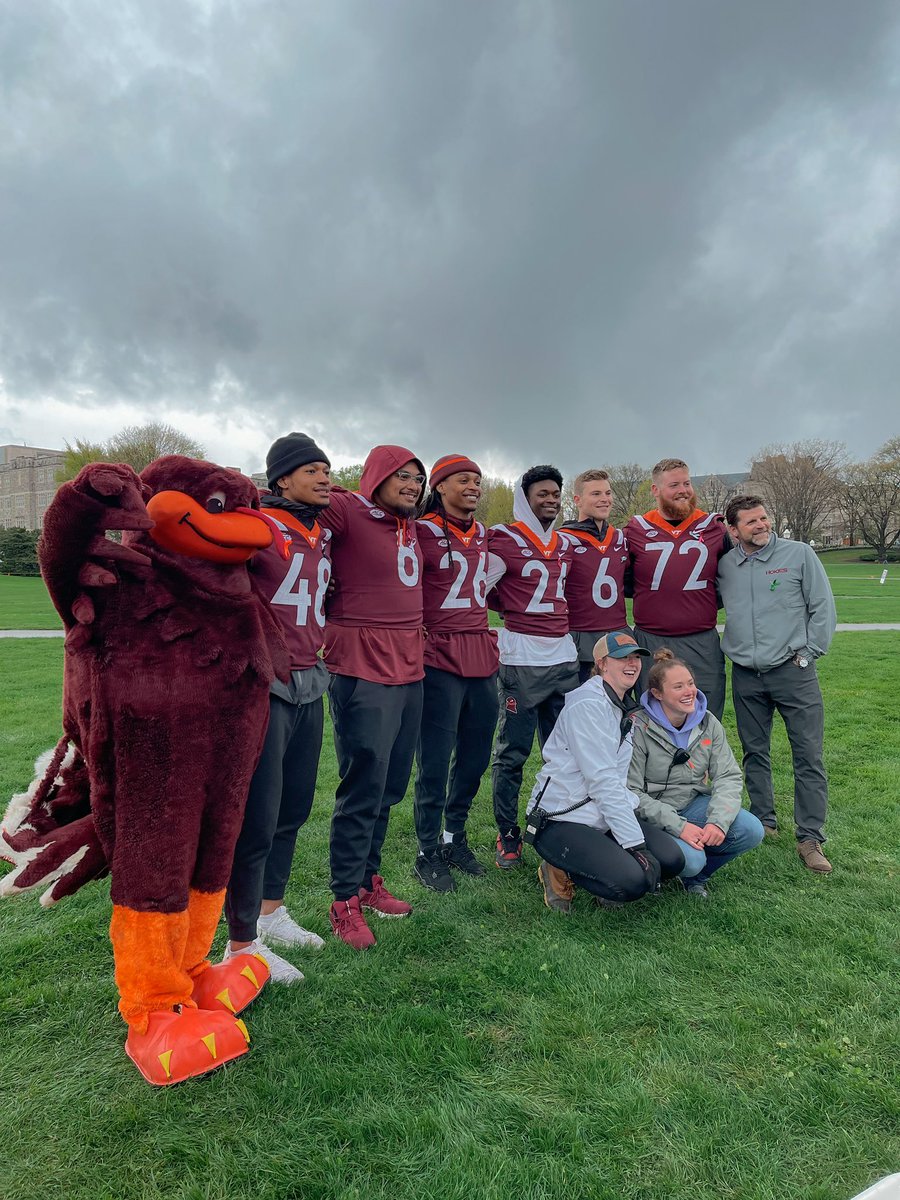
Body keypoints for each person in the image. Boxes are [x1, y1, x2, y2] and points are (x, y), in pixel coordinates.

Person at [223, 433, 332, 982]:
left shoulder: (320, 531)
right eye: (311, 469)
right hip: (264, 682)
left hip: (310, 677)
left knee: (293, 807)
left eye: (327, 468)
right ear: (281, 478)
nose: (324, 476)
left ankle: (271, 912)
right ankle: (240, 942)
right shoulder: (257, 524)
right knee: (256, 817)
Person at [321, 445, 426, 947]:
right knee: (362, 786)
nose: (411, 484)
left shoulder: (408, 525)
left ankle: (366, 883)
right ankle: (342, 898)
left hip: (409, 666)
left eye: (417, 478)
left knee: (389, 786)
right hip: (363, 663)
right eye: (402, 475)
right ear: (376, 477)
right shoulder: (347, 507)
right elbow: (292, 499)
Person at [717, 496, 837, 873]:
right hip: (746, 675)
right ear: (733, 530)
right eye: (751, 522)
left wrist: (809, 652)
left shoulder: (799, 554)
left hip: (793, 672)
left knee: (808, 755)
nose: (761, 525)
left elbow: (823, 606)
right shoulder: (725, 566)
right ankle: (764, 821)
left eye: (764, 518)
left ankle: (810, 837)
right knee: (754, 751)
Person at [525, 632, 684, 913]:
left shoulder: (621, 705)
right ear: (601, 663)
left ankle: (604, 864)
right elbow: (602, 781)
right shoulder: (588, 705)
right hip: (562, 818)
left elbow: (616, 781)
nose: (632, 663)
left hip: (599, 815)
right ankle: (556, 868)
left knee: (672, 860)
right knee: (632, 882)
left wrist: (631, 832)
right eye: (622, 657)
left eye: (636, 657)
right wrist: (636, 846)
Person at [412, 454, 499, 891]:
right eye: (463, 480)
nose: (473, 487)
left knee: (475, 756)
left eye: (477, 481)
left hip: (480, 652)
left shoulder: (484, 533)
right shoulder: (420, 530)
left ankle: (454, 836)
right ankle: (427, 849)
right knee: (433, 759)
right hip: (439, 654)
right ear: (440, 486)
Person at [486, 465, 580, 869]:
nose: (551, 499)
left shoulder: (563, 543)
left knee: (567, 753)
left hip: (563, 658)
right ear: (524, 497)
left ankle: (557, 822)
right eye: (542, 493)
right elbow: (477, 589)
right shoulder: (503, 537)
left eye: (556, 493)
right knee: (512, 753)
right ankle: (507, 831)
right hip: (522, 659)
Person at [628, 649, 764, 898]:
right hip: (650, 814)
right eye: (678, 686)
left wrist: (717, 822)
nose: (689, 691)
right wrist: (679, 827)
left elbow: (728, 776)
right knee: (691, 860)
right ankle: (656, 872)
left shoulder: (708, 722)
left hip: (691, 804)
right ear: (657, 694)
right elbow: (631, 792)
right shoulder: (637, 726)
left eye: (690, 683)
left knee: (751, 829)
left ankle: (696, 879)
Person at [625, 458, 730, 719]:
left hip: (701, 639)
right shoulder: (635, 529)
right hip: (651, 639)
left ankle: (702, 761)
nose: (683, 490)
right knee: (652, 715)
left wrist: (698, 604)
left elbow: (729, 579)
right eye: (674, 485)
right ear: (655, 490)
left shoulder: (714, 527)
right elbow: (626, 581)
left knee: (705, 714)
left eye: (687, 483)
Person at [559, 469, 631, 682]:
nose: (604, 499)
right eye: (596, 494)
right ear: (577, 500)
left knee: (619, 707)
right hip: (580, 638)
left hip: (618, 634)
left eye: (608, 493)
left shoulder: (620, 538)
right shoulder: (563, 539)